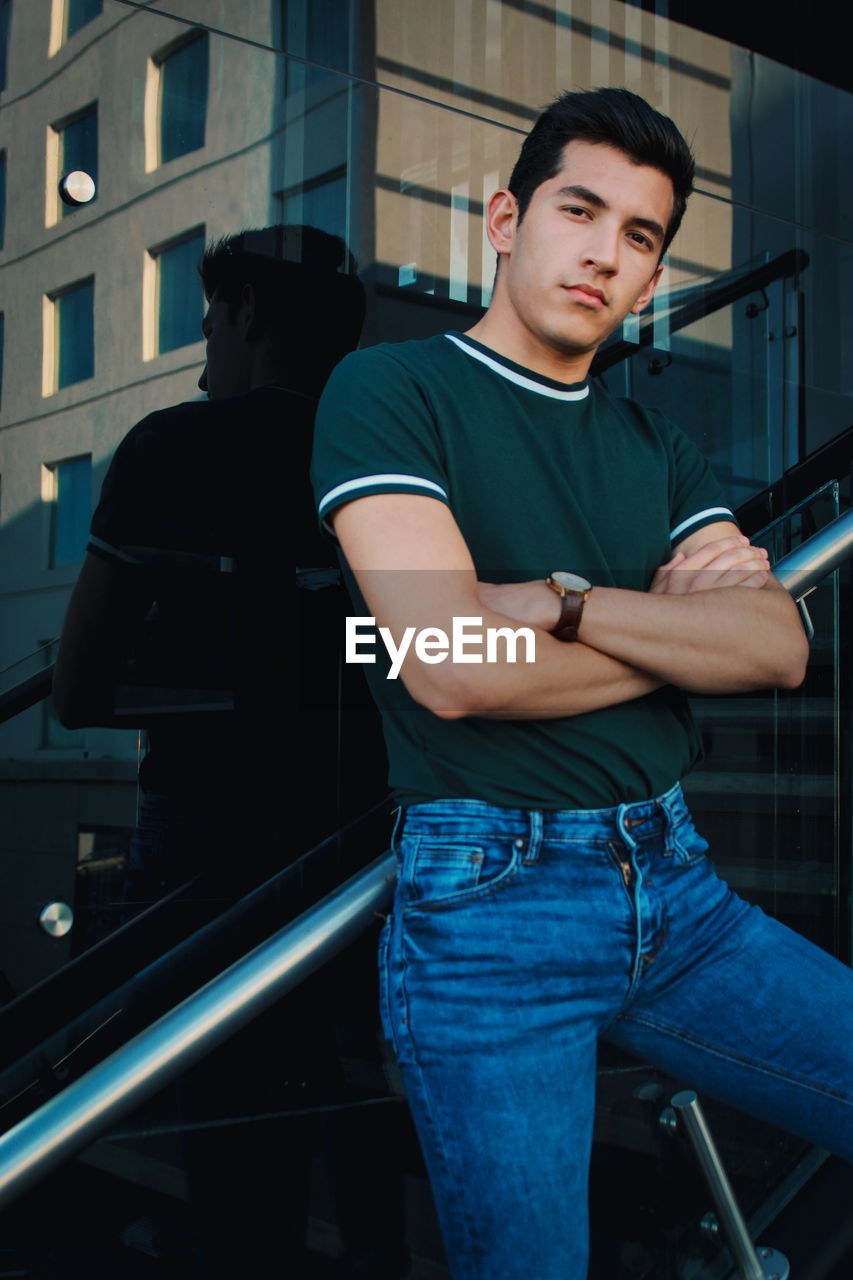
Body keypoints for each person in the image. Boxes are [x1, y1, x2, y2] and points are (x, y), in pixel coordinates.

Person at [310, 88, 853, 1279]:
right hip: (488, 915)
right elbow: (450, 667)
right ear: (506, 218)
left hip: (680, 889)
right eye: (580, 209)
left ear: (653, 275)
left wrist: (558, 601)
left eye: (642, 236)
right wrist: (670, 634)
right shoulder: (391, 393)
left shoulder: (652, 446)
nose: (606, 252)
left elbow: (778, 650)